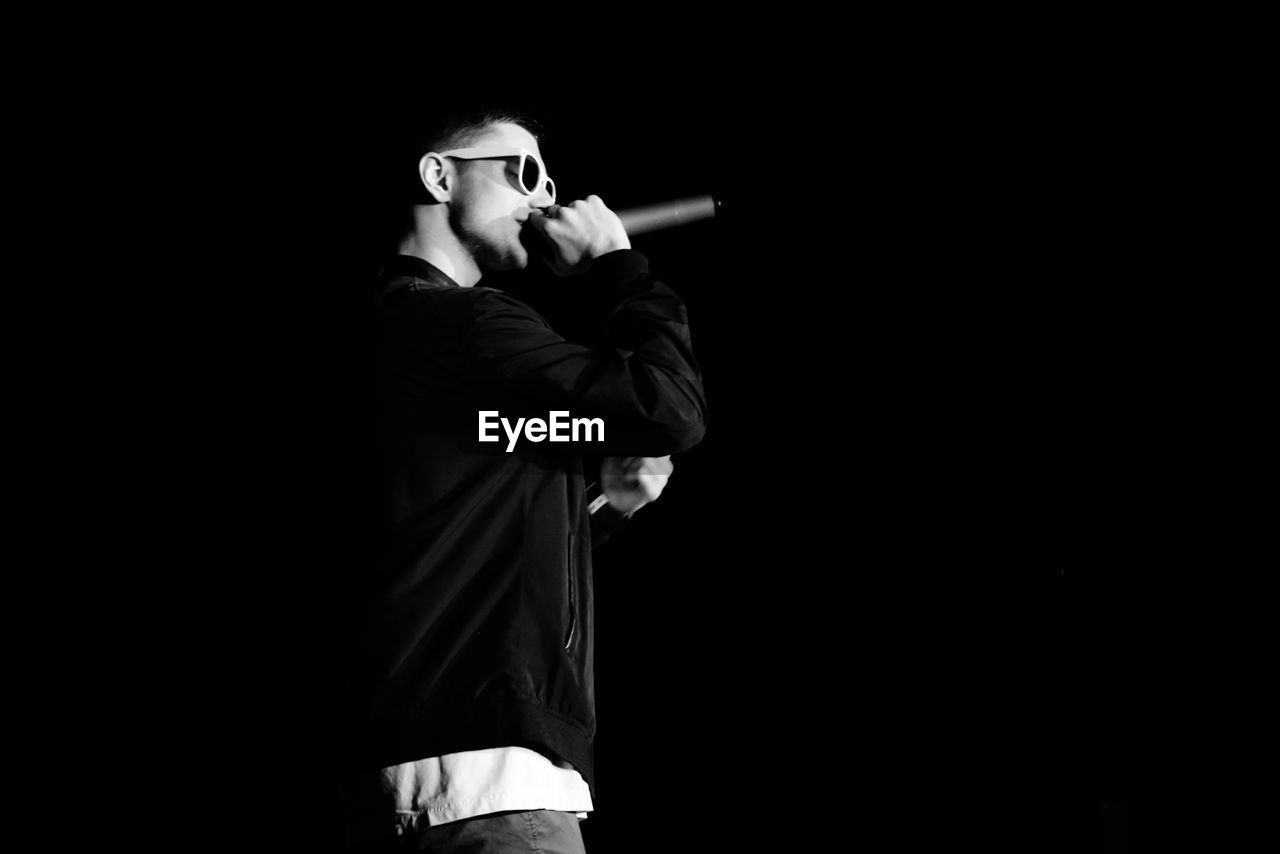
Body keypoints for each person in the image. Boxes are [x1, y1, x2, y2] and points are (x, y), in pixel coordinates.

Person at [336, 108, 707, 852]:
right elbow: (668, 409)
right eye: (525, 172)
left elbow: (463, 521)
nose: (544, 198)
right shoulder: (462, 325)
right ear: (439, 176)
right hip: (491, 776)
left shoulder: (408, 345)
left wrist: (603, 503)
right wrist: (617, 267)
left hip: (419, 767)